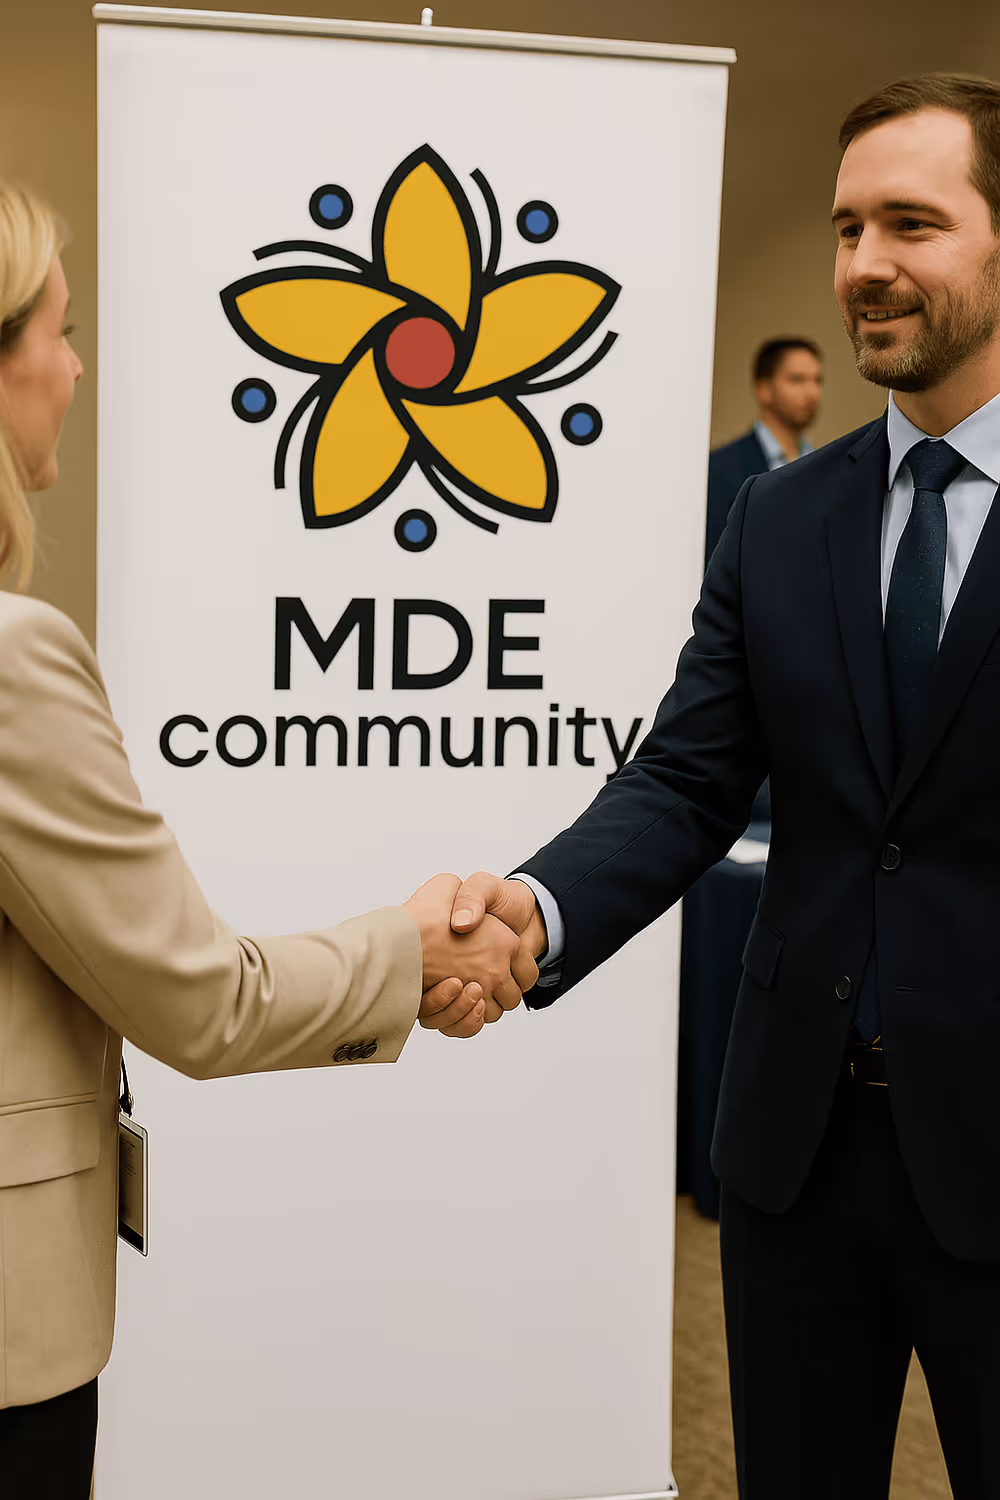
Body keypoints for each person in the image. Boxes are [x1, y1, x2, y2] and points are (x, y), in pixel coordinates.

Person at [445, 74, 1000, 1499]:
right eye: (845, 226)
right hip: (795, 1157)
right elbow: (688, 779)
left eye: (912, 224)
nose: (862, 265)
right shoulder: (780, 514)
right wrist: (537, 907)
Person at [0, 183, 523, 1496]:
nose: (74, 366)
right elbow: (202, 1002)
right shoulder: (13, 662)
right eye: (58, 330)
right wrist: (415, 948)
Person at [704, 337, 823, 565]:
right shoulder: (720, 470)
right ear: (764, 389)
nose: (812, 392)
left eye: (817, 380)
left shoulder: (824, 466)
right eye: (797, 380)